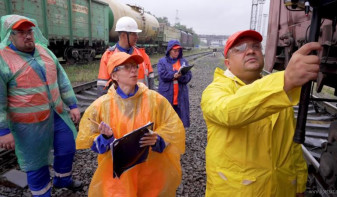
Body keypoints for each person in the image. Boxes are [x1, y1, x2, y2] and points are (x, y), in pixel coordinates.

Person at [201, 30, 322, 197]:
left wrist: (300, 184)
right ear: (227, 63)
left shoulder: (278, 91)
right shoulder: (214, 91)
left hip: (282, 189)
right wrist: (285, 81)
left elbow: (292, 145)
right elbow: (229, 112)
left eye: (256, 46)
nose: (250, 51)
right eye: (240, 48)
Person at [76, 52, 185, 196]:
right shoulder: (101, 106)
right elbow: (90, 140)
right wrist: (106, 138)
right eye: (127, 67)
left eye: (135, 66)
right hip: (118, 179)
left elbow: (173, 128)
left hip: (150, 174)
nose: (134, 70)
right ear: (114, 75)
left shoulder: (155, 100)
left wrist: (158, 139)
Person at [0, 15, 82, 196]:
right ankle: (42, 193)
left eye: (29, 31)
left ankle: (63, 179)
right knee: (36, 163)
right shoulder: (3, 59)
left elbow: (62, 80)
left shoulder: (45, 52)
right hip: (28, 125)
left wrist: (73, 104)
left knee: (67, 147)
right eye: (20, 32)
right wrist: (3, 131)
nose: (27, 36)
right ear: (10, 35)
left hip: (57, 115)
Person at [97, 16, 154, 96]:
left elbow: (151, 82)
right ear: (123, 35)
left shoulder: (142, 55)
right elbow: (102, 87)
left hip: (141, 104)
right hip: (119, 105)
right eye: (134, 34)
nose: (137, 37)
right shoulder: (108, 56)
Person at [157, 40, 192, 128]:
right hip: (167, 94)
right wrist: (173, 75)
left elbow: (189, 76)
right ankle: (166, 139)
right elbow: (162, 75)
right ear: (169, 50)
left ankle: (179, 138)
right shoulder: (162, 61)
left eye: (178, 51)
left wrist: (180, 77)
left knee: (180, 119)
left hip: (181, 95)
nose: (177, 53)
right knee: (166, 118)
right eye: (175, 51)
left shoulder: (183, 62)